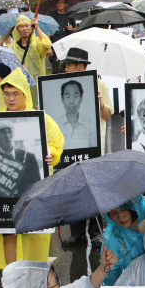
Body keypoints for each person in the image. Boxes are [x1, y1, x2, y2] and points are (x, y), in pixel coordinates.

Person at [0, 68, 63, 270]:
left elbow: (57, 143)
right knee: (7, 234)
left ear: (24, 95)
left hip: (30, 198)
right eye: (7, 94)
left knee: (32, 238)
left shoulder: (41, 120)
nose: (11, 99)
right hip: (1, 201)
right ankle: (10, 277)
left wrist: (51, 155)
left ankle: (32, 276)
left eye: (15, 94)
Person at [60, 48, 114, 247]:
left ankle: (96, 233)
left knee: (93, 191)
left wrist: (100, 104)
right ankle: (77, 233)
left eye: (68, 65)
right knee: (72, 191)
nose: (65, 69)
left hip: (93, 146)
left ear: (80, 66)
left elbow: (108, 116)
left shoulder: (99, 84)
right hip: (69, 146)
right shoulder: (61, 84)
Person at [0, 16, 51, 106]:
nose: (24, 29)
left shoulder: (36, 44)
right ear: (17, 29)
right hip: (20, 85)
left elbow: (47, 44)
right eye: (21, 26)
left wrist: (37, 28)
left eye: (27, 26)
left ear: (31, 28)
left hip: (36, 85)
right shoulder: (13, 47)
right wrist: (8, 32)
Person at [57, 80, 97, 150]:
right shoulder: (55, 124)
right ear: (62, 99)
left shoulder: (90, 124)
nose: (71, 101)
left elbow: (94, 152)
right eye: (68, 97)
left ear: (81, 98)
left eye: (75, 96)